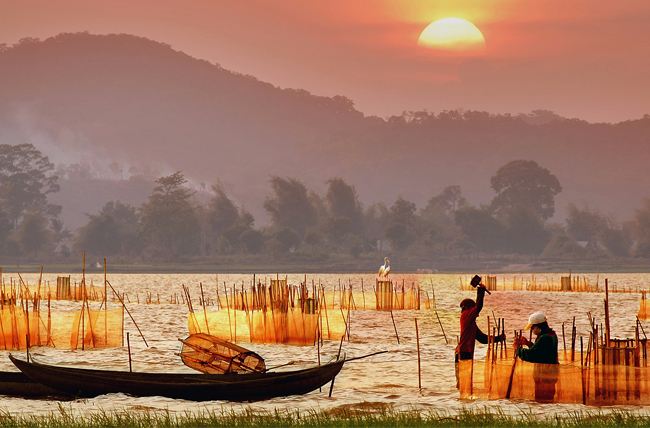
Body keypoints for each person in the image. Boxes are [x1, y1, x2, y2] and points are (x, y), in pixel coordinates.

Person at [515, 311, 559, 402]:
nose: (532, 330)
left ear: (539, 327)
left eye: (532, 328)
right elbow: (541, 352)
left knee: (542, 399)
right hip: (550, 372)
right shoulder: (551, 334)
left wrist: (517, 349)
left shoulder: (544, 338)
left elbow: (532, 355)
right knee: (547, 399)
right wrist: (528, 343)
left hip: (545, 374)